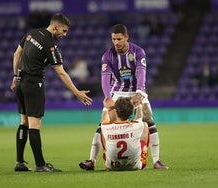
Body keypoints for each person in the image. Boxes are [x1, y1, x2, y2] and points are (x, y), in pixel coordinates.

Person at [79, 24, 168, 170]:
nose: (116, 42)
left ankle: (157, 161)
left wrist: (139, 92)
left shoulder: (138, 52)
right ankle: (91, 161)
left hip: (135, 90)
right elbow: (105, 78)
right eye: (113, 39)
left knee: (149, 120)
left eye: (119, 39)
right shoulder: (108, 55)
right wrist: (107, 97)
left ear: (127, 37)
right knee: (103, 124)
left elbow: (141, 73)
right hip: (117, 91)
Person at [10, 13, 93, 172]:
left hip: (20, 82)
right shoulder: (50, 45)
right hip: (34, 84)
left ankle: (19, 162)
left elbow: (17, 54)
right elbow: (61, 73)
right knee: (35, 124)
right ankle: (40, 165)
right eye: (64, 30)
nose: (64, 34)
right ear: (55, 27)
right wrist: (77, 93)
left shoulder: (32, 34)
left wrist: (15, 77)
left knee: (24, 122)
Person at [99, 97, 149, 171]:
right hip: (134, 166)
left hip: (113, 167)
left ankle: (108, 163)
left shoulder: (107, 127)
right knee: (145, 126)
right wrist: (139, 106)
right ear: (131, 112)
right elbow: (139, 117)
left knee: (103, 132)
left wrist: (106, 108)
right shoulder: (137, 125)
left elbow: (104, 120)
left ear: (115, 111)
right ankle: (143, 163)